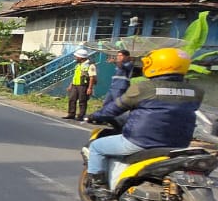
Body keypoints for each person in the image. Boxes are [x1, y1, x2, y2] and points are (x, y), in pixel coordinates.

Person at [85, 47, 203, 189]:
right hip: (179, 144)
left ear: (158, 65)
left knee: (97, 147)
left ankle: (98, 187)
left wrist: (95, 115)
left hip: (141, 141)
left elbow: (113, 109)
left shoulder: (143, 88)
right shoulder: (196, 91)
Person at [65, 48, 96, 120]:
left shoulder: (90, 65)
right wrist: (70, 85)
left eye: (76, 57)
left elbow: (92, 77)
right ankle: (71, 114)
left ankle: (81, 115)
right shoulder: (78, 65)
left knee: (82, 101)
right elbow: (75, 76)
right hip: (75, 85)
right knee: (72, 99)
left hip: (83, 86)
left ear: (81, 57)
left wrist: (90, 88)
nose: (75, 58)